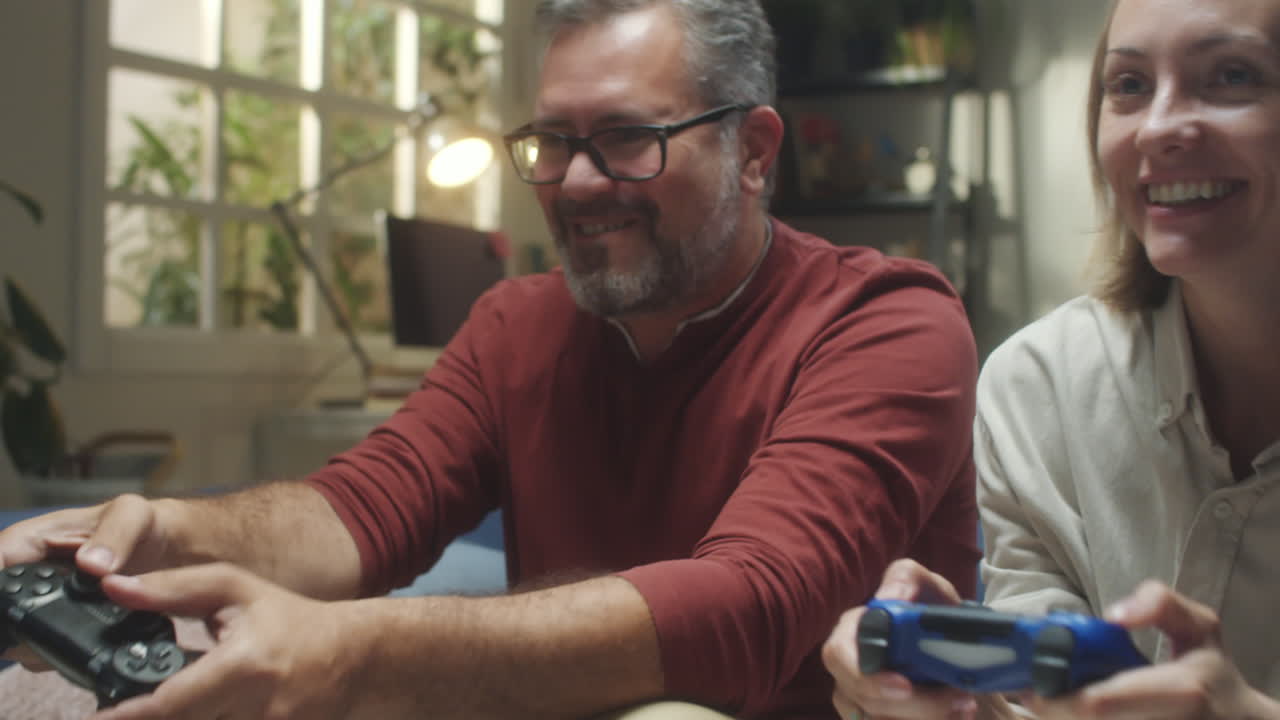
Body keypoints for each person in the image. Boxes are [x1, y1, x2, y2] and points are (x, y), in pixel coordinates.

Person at [0, 1, 981, 718]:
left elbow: (749, 608)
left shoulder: (888, 322)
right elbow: (365, 507)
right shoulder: (518, 321)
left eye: (627, 139)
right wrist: (161, 535)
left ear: (754, 152)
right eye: (551, 142)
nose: (577, 183)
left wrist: (353, 651)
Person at [822, 0, 1280, 718]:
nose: (1156, 127)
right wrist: (956, 701)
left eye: (1232, 75)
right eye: (1129, 85)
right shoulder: (1039, 388)